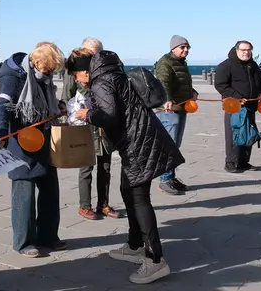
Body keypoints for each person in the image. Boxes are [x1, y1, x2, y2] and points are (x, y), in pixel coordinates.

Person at [74, 50, 182, 284]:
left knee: (138, 198)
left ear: (85, 71)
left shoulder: (101, 81)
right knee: (127, 190)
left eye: (76, 75)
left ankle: (155, 260)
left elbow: (109, 115)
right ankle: (135, 245)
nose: (77, 80)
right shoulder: (114, 75)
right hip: (141, 139)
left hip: (138, 143)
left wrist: (87, 114)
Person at [0, 42, 66, 258]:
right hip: (21, 142)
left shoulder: (42, 76)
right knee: (24, 194)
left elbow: (46, 102)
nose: (50, 74)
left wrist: (58, 107)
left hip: (44, 138)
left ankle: (48, 236)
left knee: (50, 190)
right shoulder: (13, 77)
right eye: (48, 70)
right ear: (37, 63)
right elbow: (2, 106)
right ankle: (23, 242)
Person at [62, 42, 122, 220]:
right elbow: (66, 98)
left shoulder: (103, 74)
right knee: (86, 167)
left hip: (104, 127)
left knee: (105, 167)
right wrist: (66, 121)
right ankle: (84, 205)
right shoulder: (75, 73)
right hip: (84, 126)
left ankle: (103, 204)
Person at [153, 35, 197, 194]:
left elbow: (182, 83)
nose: (186, 50)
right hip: (169, 110)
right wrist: (167, 100)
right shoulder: (165, 63)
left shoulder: (180, 63)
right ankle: (164, 180)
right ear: (173, 48)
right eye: (182, 47)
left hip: (182, 108)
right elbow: (163, 82)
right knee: (168, 146)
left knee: (175, 146)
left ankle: (170, 177)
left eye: (187, 47)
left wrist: (193, 92)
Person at [214, 41, 261, 172]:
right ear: (237, 50)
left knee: (248, 134)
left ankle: (244, 162)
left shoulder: (253, 65)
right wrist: (236, 97)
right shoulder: (226, 65)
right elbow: (220, 85)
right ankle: (231, 163)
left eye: (249, 50)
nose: (246, 52)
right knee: (234, 134)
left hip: (251, 106)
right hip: (234, 107)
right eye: (243, 50)